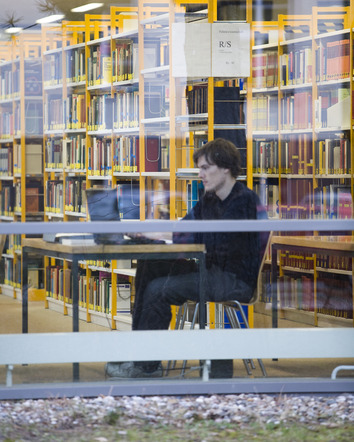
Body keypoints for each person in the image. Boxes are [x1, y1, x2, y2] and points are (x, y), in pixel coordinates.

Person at [105, 138, 268, 378]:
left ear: (225, 167)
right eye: (199, 168)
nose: (200, 174)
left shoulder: (244, 201)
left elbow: (210, 240)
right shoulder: (211, 199)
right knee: (150, 266)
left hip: (232, 280)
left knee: (158, 289)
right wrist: (149, 231)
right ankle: (140, 354)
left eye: (205, 168)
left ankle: (146, 367)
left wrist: (162, 233)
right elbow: (187, 227)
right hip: (210, 270)